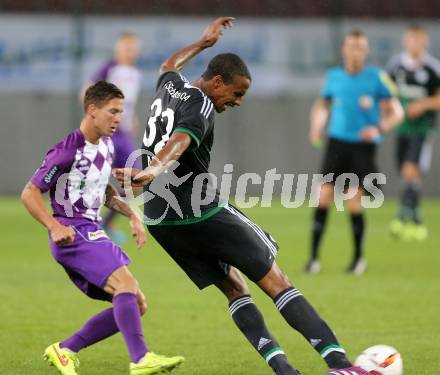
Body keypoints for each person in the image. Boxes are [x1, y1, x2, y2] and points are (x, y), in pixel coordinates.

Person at [114, 17, 371, 375]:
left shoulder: (171, 86)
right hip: (197, 209)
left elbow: (168, 64)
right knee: (276, 280)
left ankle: (285, 371)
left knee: (235, 289)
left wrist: (203, 43)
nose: (238, 102)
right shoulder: (201, 104)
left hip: (161, 219)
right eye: (236, 93)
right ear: (216, 82)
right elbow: (180, 142)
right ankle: (340, 365)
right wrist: (150, 171)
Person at [21, 81, 184, 375]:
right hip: (73, 233)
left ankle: (66, 349)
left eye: (121, 112)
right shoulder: (66, 151)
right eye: (113, 111)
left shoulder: (106, 145)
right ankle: (141, 358)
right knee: (127, 287)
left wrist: (132, 215)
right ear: (92, 110)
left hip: (90, 230)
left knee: (137, 303)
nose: (118, 118)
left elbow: (103, 191)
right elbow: (29, 193)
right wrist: (54, 226)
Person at [306, 30, 404, 275]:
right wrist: (317, 125)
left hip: (362, 146)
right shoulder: (334, 77)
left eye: (360, 47)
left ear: (367, 51)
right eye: (352, 46)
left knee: (353, 200)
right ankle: (314, 259)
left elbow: (397, 111)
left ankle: (358, 259)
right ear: (344, 49)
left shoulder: (377, 78)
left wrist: (379, 127)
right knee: (324, 197)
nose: (356, 52)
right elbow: (322, 105)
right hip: (336, 143)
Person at [85, 32, 142, 241]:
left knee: (137, 178)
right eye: (126, 47)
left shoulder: (134, 73)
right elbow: (86, 91)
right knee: (93, 176)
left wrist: (131, 118)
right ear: (118, 49)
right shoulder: (109, 69)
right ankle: (89, 222)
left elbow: (126, 103)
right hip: (107, 134)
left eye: (133, 48)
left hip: (124, 134)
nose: (130, 52)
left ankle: (106, 224)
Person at [386, 24, 440, 241]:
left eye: (419, 40)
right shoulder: (396, 65)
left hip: (423, 129)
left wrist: (423, 104)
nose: (415, 44)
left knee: (410, 170)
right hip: (402, 128)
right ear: (405, 42)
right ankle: (414, 218)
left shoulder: (432, 68)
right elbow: (386, 90)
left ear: (424, 42)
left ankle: (402, 217)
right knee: (407, 173)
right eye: (411, 40)